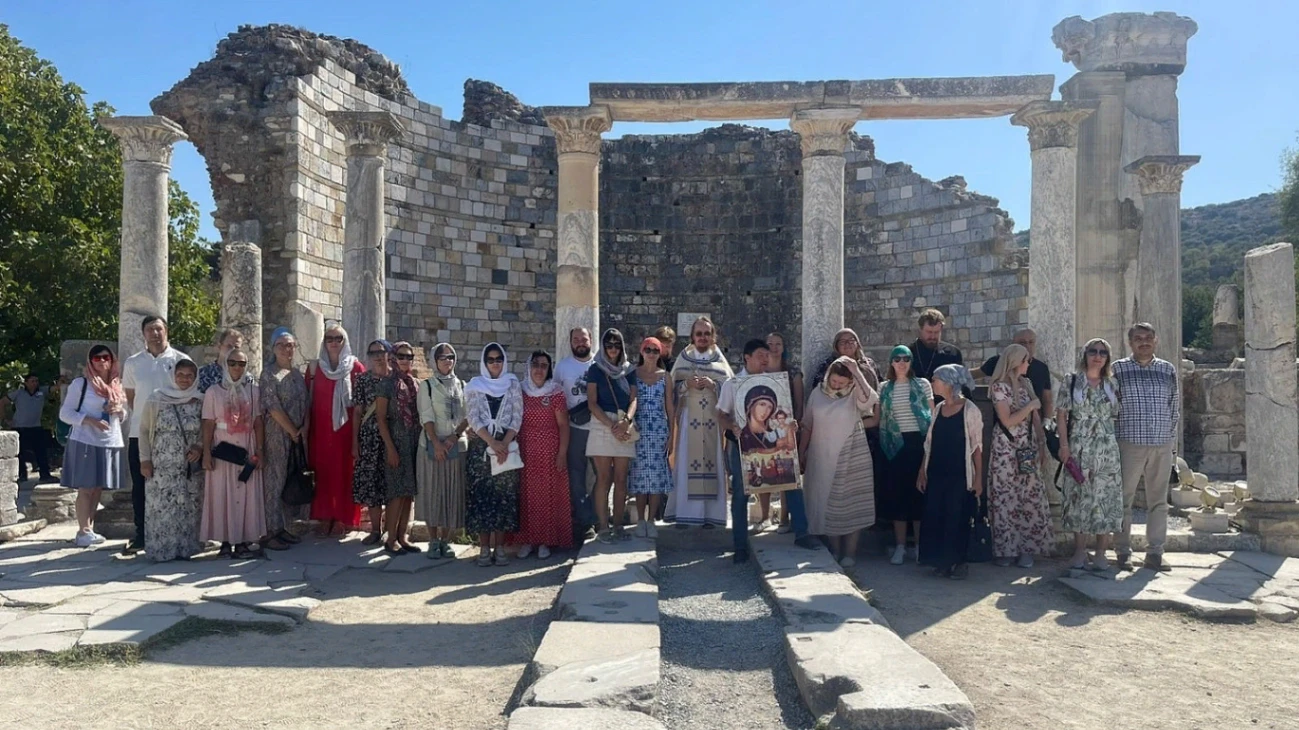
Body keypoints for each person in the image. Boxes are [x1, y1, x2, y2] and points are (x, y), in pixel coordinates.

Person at [799, 356, 879, 567]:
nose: (836, 386)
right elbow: (807, 424)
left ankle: (850, 552)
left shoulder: (855, 393)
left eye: (841, 383)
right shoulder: (818, 392)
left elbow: (871, 400)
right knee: (825, 502)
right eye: (834, 381)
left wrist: (857, 372)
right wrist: (801, 452)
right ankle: (834, 549)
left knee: (851, 504)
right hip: (820, 456)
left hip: (850, 454)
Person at [1112, 323, 1179, 573]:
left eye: (1149, 338)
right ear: (1130, 342)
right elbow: (1112, 406)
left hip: (1161, 442)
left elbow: (1174, 406)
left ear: (1156, 340)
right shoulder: (1118, 368)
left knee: (1159, 501)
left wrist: (1171, 443)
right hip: (1129, 441)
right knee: (1123, 500)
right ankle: (1122, 551)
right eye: (1138, 338)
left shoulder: (1167, 369)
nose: (1144, 342)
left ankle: (1155, 553)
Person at [1056, 338, 1124, 571]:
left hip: (1106, 446)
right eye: (1093, 351)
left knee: (1106, 497)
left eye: (1103, 352)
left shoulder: (1112, 383)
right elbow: (1062, 414)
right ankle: (1079, 550)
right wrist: (1063, 446)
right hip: (1079, 444)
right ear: (1084, 354)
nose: (1098, 355)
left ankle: (1101, 552)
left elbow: (1116, 413)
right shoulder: (1072, 381)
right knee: (1078, 496)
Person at [121, 315, 185, 555]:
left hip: (172, 434)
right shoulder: (133, 363)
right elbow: (131, 398)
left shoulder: (180, 360)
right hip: (140, 433)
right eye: (150, 330)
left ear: (166, 331)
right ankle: (141, 535)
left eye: (159, 329)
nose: (155, 334)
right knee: (140, 485)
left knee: (175, 484)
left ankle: (175, 533)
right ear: (143, 334)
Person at [988, 343, 1052, 568]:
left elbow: (1035, 417)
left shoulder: (1027, 384)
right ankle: (1006, 549)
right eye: (1025, 359)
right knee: (1006, 496)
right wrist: (1031, 406)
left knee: (1029, 495)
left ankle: (1028, 549)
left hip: (1027, 444)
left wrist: (1042, 444)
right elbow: (1007, 420)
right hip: (1006, 446)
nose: (1028, 363)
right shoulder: (999, 387)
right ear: (1015, 361)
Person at [664, 317, 732, 529]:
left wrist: (715, 386)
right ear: (692, 336)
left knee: (714, 465)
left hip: (713, 421)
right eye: (699, 333)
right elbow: (669, 391)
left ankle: (712, 516)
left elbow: (732, 391)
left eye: (707, 333)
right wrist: (685, 385)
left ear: (713, 336)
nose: (703, 337)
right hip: (688, 421)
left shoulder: (721, 363)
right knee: (685, 464)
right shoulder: (683, 360)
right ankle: (686, 515)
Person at [917, 365, 984, 579]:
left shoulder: (970, 410)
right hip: (937, 472)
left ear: (948, 382)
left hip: (959, 474)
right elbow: (929, 443)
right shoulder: (938, 409)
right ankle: (941, 562)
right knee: (936, 514)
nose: (933, 382)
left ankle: (959, 562)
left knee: (957, 516)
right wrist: (922, 471)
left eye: (936, 379)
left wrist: (978, 479)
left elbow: (977, 447)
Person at [200, 348, 266, 560]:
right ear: (225, 364)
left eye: (241, 363)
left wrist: (261, 451)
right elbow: (208, 422)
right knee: (223, 494)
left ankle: (245, 540)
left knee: (246, 494)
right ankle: (226, 541)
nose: (237, 367)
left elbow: (258, 422)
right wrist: (206, 453)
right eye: (232, 363)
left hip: (247, 446)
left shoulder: (254, 391)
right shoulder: (213, 392)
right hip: (223, 448)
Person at [59, 345, 127, 547]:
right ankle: (83, 530)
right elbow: (65, 414)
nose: (102, 361)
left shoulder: (117, 385)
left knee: (98, 488)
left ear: (112, 360)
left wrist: (118, 410)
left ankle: (90, 528)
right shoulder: (81, 384)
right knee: (86, 488)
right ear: (90, 362)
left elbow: (124, 416)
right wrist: (90, 420)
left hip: (109, 440)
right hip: (85, 440)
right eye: (96, 358)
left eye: (106, 357)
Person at [138, 357, 204, 562]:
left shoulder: (201, 400)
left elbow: (206, 430)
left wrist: (199, 447)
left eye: (189, 376)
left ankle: (186, 549)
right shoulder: (156, 399)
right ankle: (162, 550)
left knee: (188, 506)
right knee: (161, 507)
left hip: (188, 465)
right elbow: (144, 430)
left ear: (195, 378)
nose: (184, 379)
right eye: (180, 375)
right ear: (172, 376)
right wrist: (145, 459)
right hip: (161, 464)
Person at [509, 350, 573, 558]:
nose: (539, 369)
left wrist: (562, 453)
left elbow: (564, 425)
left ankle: (545, 541)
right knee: (526, 496)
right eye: (535, 364)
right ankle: (527, 540)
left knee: (546, 496)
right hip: (525, 451)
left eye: (543, 365)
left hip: (549, 452)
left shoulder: (555, 393)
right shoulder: (520, 391)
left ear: (549, 369)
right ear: (529, 367)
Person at [465, 342, 523, 566]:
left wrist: (504, 444)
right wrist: (492, 443)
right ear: (484, 362)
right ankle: (483, 548)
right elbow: (473, 417)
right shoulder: (474, 386)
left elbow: (516, 416)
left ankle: (499, 547)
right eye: (490, 360)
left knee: (503, 498)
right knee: (481, 497)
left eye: (499, 359)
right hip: (481, 448)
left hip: (506, 447)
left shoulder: (512, 384)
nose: (495, 363)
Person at [306, 322, 364, 537]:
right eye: (329, 339)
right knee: (322, 473)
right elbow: (307, 401)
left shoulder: (355, 368)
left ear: (344, 341)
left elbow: (360, 405)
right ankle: (324, 516)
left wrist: (357, 438)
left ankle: (342, 517)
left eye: (337, 338)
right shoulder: (315, 369)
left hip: (346, 431)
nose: (333, 343)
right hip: (320, 431)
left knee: (344, 473)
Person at [878, 345, 934, 566]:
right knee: (897, 495)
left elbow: (931, 414)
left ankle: (920, 546)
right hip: (894, 443)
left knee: (919, 495)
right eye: (897, 359)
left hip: (918, 443)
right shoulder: (884, 387)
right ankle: (901, 546)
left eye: (906, 359)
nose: (902, 362)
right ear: (891, 362)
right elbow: (879, 415)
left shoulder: (922, 385)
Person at [416, 343, 469, 560]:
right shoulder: (427, 385)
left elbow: (467, 414)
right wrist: (437, 443)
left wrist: (454, 437)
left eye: (450, 356)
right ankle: (433, 539)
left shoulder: (462, 385)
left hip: (455, 445)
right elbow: (426, 415)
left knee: (451, 492)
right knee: (432, 491)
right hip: (431, 446)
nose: (447, 360)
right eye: (442, 357)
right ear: (434, 361)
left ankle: (447, 540)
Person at [586, 328, 638, 542]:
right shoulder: (596, 370)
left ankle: (618, 525)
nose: (613, 349)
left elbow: (634, 399)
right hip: (602, 423)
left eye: (617, 345)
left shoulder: (629, 370)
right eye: (609, 345)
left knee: (621, 479)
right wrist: (611, 425)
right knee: (604, 478)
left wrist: (626, 421)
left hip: (623, 422)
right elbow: (592, 402)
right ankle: (604, 526)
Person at [260, 328, 308, 551]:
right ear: (273, 348)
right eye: (281, 345)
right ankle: (270, 531)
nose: (286, 349)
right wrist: (291, 430)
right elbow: (272, 405)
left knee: (290, 479)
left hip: (297, 436)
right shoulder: (269, 373)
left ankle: (283, 527)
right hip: (277, 435)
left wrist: (303, 428)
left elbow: (307, 403)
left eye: (290, 345)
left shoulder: (297, 374)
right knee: (274, 481)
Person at [376, 341, 421, 555]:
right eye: (401, 356)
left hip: (413, 441)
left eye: (409, 357)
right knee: (395, 492)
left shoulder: (414, 383)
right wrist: (391, 448)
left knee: (408, 492)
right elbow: (381, 419)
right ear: (393, 357)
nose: (405, 360)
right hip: (395, 441)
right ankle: (390, 537)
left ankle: (403, 536)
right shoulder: (386, 384)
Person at [628, 337, 674, 538]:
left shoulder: (665, 376)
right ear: (641, 351)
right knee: (639, 476)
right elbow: (632, 400)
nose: (651, 353)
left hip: (658, 430)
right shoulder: (633, 374)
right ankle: (640, 519)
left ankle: (651, 520)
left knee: (656, 478)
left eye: (656, 350)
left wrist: (672, 434)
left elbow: (670, 407)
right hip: (639, 430)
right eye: (648, 349)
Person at [554, 327, 596, 543]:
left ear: (591, 340)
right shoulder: (562, 368)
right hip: (575, 429)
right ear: (570, 342)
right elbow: (556, 398)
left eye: (584, 338)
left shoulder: (599, 364)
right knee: (577, 477)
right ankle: (584, 522)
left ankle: (598, 517)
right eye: (576, 339)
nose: (580, 342)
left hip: (599, 428)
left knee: (600, 476)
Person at [351, 339, 392, 544]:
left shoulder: (396, 379)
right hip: (369, 438)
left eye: (381, 351)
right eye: (372, 352)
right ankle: (376, 530)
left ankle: (394, 531)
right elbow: (358, 412)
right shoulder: (362, 380)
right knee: (372, 486)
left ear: (388, 354)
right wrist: (354, 441)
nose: (377, 356)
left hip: (393, 439)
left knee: (393, 484)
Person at [765, 332, 804, 534]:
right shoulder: (759, 372)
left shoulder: (793, 373)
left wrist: (794, 427)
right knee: (763, 468)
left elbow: (798, 402)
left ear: (783, 347)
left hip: (787, 429)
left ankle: (784, 519)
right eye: (770, 344)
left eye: (778, 344)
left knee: (786, 472)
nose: (774, 347)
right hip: (765, 429)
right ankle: (764, 516)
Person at [980, 328, 1053, 418]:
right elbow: (974, 375)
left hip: (1032, 424)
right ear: (1013, 344)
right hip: (1007, 425)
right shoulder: (999, 362)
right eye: (1022, 342)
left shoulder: (1041, 368)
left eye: (1031, 342)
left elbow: (1047, 399)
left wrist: (1047, 422)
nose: (1027, 346)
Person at [2, 374, 55, 483]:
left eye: (36, 381)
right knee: (20, 453)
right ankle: (22, 475)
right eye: (32, 381)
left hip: (36, 427)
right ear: (26, 383)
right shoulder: (18, 393)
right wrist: (5, 419)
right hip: (20, 427)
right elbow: (2, 402)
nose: (35, 383)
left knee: (41, 452)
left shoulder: (42, 392)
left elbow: (54, 389)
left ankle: (45, 474)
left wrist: (60, 382)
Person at [809, 328, 881, 392]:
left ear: (857, 344)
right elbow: (818, 387)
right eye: (842, 342)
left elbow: (879, 385)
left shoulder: (869, 364)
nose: (847, 344)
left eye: (851, 341)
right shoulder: (829, 365)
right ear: (836, 346)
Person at [909, 309, 963, 382]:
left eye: (936, 332)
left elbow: (962, 383)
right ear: (920, 330)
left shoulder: (953, 353)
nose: (933, 336)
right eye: (929, 332)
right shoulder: (908, 354)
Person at [198, 328, 244, 394]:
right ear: (219, 347)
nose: (232, 350)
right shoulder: (203, 374)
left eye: (236, 347)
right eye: (229, 346)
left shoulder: (246, 378)